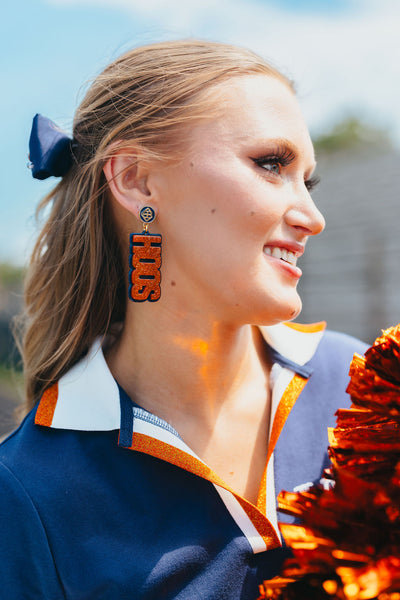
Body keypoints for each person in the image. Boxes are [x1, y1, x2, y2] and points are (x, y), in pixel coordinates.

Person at [0, 40, 366, 599]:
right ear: (137, 180)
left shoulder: (365, 385)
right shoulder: (26, 493)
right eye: (272, 164)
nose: (312, 218)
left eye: (307, 181)